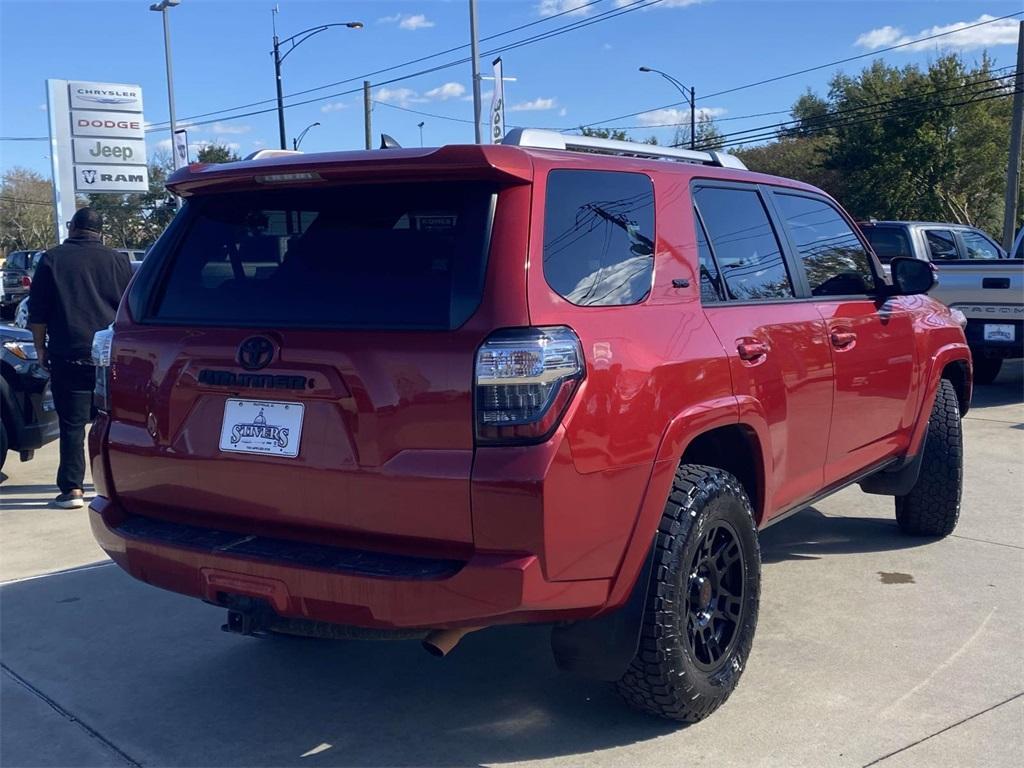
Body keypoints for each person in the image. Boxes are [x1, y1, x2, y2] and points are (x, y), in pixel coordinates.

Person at [28, 207, 133, 509]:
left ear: (72, 227)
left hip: (69, 353)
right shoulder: (118, 261)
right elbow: (130, 307)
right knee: (114, 423)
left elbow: (38, 312)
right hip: (110, 357)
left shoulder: (52, 259)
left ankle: (73, 489)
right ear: (100, 232)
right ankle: (116, 486)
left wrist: (40, 348)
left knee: (72, 425)